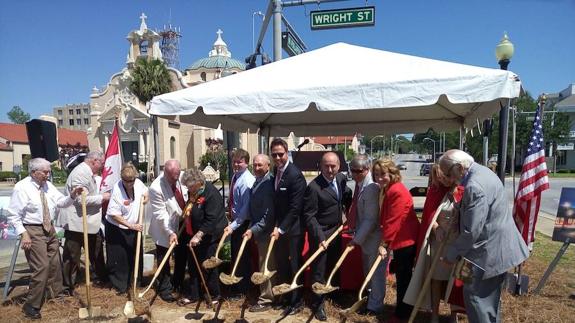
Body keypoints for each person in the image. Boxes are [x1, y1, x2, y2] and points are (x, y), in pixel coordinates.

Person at [438, 150, 529, 323]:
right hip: (496, 248)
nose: (449, 179)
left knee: (476, 298)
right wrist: (461, 207)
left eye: (449, 174)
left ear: (459, 167)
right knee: (489, 301)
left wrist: (451, 255)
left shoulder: (474, 186)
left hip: (487, 254)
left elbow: (472, 232)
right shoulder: (484, 172)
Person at [7, 158, 83, 320]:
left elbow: (61, 203)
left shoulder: (48, 186)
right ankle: (32, 304)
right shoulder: (22, 188)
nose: (48, 175)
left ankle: (55, 294)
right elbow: (13, 215)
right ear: (34, 172)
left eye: (49, 171)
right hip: (32, 229)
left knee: (55, 264)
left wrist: (72, 195)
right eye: (45, 172)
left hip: (49, 229)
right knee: (41, 267)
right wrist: (24, 234)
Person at [404, 164, 465, 323]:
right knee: (436, 279)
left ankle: (454, 314)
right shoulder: (434, 192)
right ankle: (434, 314)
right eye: (438, 176)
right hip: (439, 243)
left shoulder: (462, 191)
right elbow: (429, 217)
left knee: (455, 280)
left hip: (456, 243)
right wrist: (436, 228)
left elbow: (469, 216)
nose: (441, 180)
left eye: (443, 176)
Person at [303, 152, 350, 321]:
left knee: (334, 265)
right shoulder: (314, 187)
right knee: (319, 270)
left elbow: (346, 194)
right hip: (321, 233)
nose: (330, 170)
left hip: (337, 230)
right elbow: (309, 216)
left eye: (333, 166)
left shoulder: (341, 179)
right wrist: (319, 236)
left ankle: (334, 294)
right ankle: (318, 304)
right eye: (326, 166)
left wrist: (349, 210)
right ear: (321, 166)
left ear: (339, 166)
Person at [375, 158, 420, 321]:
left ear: (392, 173)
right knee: (402, 278)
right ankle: (402, 311)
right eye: (377, 175)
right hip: (400, 240)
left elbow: (393, 221)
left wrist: (384, 244)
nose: (379, 178)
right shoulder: (389, 189)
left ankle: (403, 314)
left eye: (383, 174)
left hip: (406, 241)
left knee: (404, 280)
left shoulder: (396, 191)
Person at [61, 151, 110, 291]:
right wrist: (103, 197)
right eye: (101, 163)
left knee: (97, 250)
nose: (102, 166)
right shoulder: (80, 173)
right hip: (77, 224)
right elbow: (79, 199)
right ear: (94, 161)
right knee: (72, 256)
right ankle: (68, 286)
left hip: (90, 223)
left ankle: (102, 278)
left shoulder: (87, 172)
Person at [269, 138, 307, 316]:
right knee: (282, 265)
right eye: (274, 154)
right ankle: (285, 297)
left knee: (294, 266)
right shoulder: (276, 171)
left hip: (293, 231)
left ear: (287, 153)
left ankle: (296, 301)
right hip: (280, 230)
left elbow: (295, 208)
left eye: (280, 154)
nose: (277, 158)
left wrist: (281, 228)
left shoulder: (295, 175)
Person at [347, 154, 387, 315]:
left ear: (367, 169)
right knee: (368, 271)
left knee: (376, 273)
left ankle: (375, 307)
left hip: (374, 238)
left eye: (359, 171)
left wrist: (355, 241)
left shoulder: (371, 188)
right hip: (366, 239)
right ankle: (370, 298)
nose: (355, 174)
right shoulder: (361, 184)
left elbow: (370, 220)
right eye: (352, 171)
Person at [183, 167, 228, 304]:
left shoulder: (211, 194)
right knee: (193, 265)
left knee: (208, 266)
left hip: (210, 235)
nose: (188, 189)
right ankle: (194, 294)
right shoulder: (194, 192)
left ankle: (214, 295)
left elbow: (211, 220)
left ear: (198, 182)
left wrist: (199, 235)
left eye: (190, 186)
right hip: (194, 234)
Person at [104, 163, 148, 294]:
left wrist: (146, 197)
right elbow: (114, 214)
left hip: (133, 226)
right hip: (117, 227)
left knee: (135, 253)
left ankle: (136, 281)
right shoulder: (117, 191)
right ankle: (120, 286)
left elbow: (146, 191)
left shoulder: (138, 183)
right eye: (127, 181)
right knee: (120, 257)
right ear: (122, 179)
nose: (130, 184)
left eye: (132, 180)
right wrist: (130, 225)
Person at [148, 160, 188, 302]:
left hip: (183, 222)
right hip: (164, 226)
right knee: (164, 257)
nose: (176, 179)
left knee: (182, 254)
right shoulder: (155, 188)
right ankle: (164, 288)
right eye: (172, 176)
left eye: (177, 175)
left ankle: (177, 283)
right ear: (165, 172)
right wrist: (170, 232)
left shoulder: (182, 176)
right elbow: (161, 214)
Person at [243, 154, 275, 313]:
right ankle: (268, 296)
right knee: (265, 265)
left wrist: (252, 229)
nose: (256, 168)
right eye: (254, 165)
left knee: (266, 266)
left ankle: (266, 299)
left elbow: (267, 217)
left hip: (266, 232)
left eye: (260, 165)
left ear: (268, 166)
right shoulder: (258, 181)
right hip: (259, 231)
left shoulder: (268, 185)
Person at [223, 148, 255, 299]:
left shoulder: (247, 181)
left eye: (239, 162)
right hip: (236, 221)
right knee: (236, 255)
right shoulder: (237, 176)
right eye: (234, 161)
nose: (236, 164)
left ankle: (242, 290)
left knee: (242, 257)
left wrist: (233, 226)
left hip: (242, 223)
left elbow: (246, 211)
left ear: (246, 163)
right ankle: (237, 287)